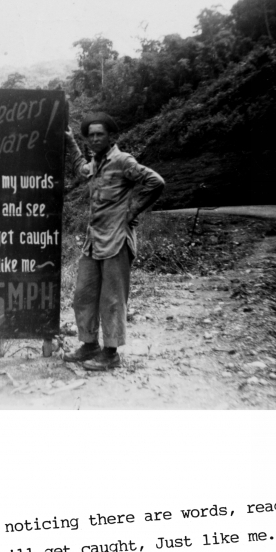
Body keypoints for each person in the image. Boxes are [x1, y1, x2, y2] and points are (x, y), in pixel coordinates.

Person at [63, 112, 165, 370]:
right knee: (83, 295)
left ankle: (110, 353)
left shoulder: (122, 161)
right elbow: (80, 168)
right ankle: (89, 345)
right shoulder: (96, 163)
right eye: (91, 135)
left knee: (111, 299)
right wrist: (71, 142)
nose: (95, 138)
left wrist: (132, 211)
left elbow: (155, 181)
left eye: (100, 134)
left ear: (110, 136)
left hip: (116, 240)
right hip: (94, 240)